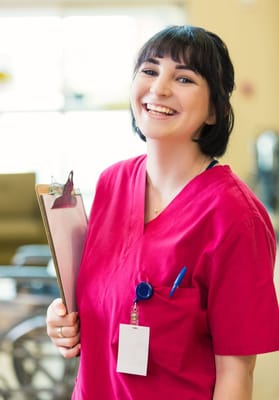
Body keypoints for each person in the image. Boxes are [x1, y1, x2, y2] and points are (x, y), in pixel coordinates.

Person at [46, 25, 279, 400]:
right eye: (150, 71)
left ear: (215, 111)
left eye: (184, 78)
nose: (160, 89)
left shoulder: (236, 218)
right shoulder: (111, 183)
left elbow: (236, 374)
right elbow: (104, 303)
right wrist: (62, 320)